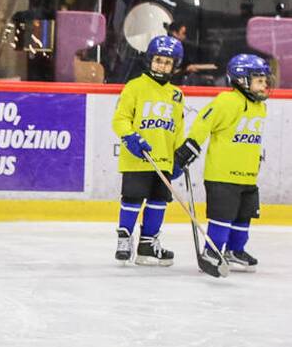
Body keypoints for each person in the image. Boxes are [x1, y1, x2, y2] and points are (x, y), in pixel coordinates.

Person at [174, 54, 269, 272]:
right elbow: (204, 122)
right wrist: (190, 147)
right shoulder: (227, 101)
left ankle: (234, 251)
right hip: (222, 175)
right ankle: (212, 250)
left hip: (247, 176)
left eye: (265, 80)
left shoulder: (260, 107)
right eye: (259, 80)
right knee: (222, 218)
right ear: (242, 80)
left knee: (244, 218)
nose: (264, 85)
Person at [111, 35, 185, 266]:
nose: (161, 65)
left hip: (163, 159)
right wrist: (131, 137)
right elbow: (120, 119)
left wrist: (178, 156)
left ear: (175, 66)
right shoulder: (135, 87)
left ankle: (147, 245)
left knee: (158, 200)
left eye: (167, 62)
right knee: (132, 198)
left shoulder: (177, 95)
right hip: (137, 158)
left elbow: (178, 129)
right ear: (150, 60)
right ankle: (124, 238)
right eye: (158, 60)